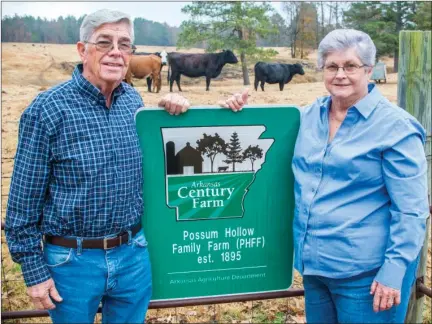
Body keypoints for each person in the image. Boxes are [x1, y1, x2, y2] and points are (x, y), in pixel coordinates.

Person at [221, 29, 429, 323]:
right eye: (332, 66)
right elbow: (257, 139)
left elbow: (411, 210)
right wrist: (234, 113)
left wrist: (393, 271)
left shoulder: (396, 128)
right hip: (315, 269)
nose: (340, 74)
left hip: (367, 276)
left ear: (369, 70)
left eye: (350, 66)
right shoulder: (307, 117)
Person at [5, 9, 188, 323]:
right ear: (82, 49)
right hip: (72, 263)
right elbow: (22, 206)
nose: (116, 52)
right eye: (104, 42)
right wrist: (35, 273)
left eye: (124, 44)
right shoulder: (47, 110)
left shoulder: (134, 103)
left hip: (132, 254)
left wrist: (180, 108)